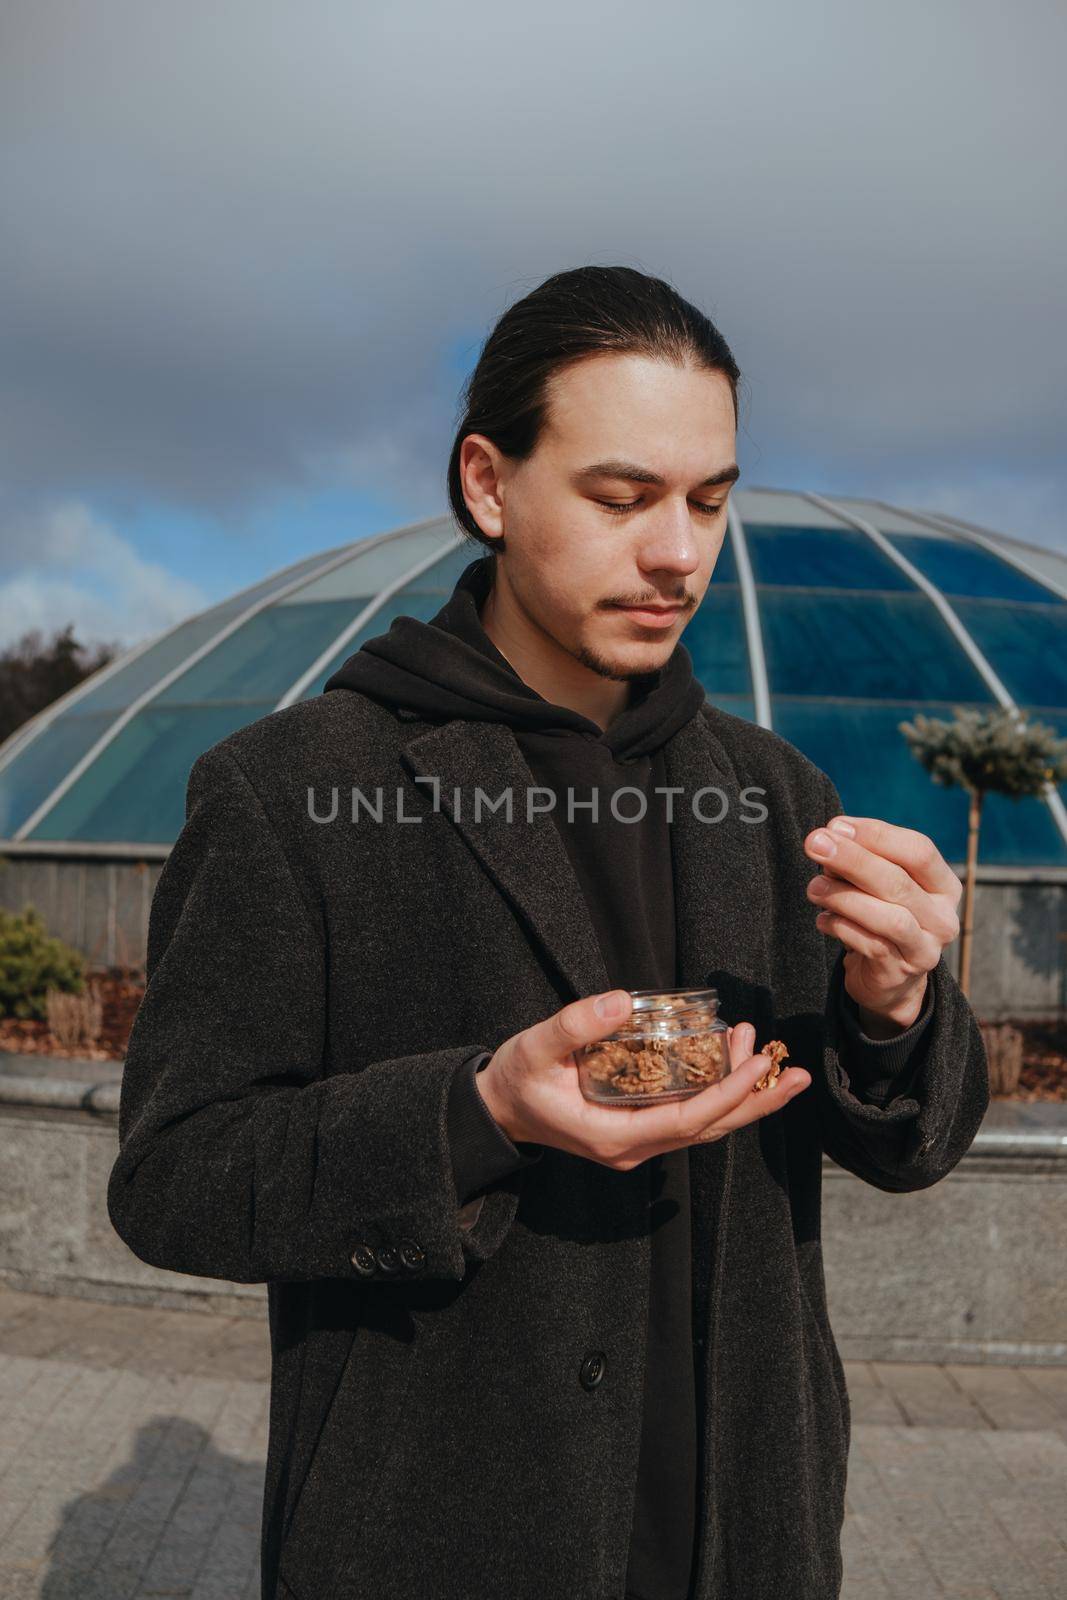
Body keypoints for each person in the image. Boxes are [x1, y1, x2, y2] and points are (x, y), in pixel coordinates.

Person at [107, 265, 989, 1600]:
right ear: (487, 484)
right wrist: (477, 1112)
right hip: (436, 1541)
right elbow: (173, 1178)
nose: (680, 552)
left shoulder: (775, 793)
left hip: (745, 1537)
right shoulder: (291, 788)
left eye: (710, 499)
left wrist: (897, 1009)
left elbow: (901, 1144)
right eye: (623, 497)